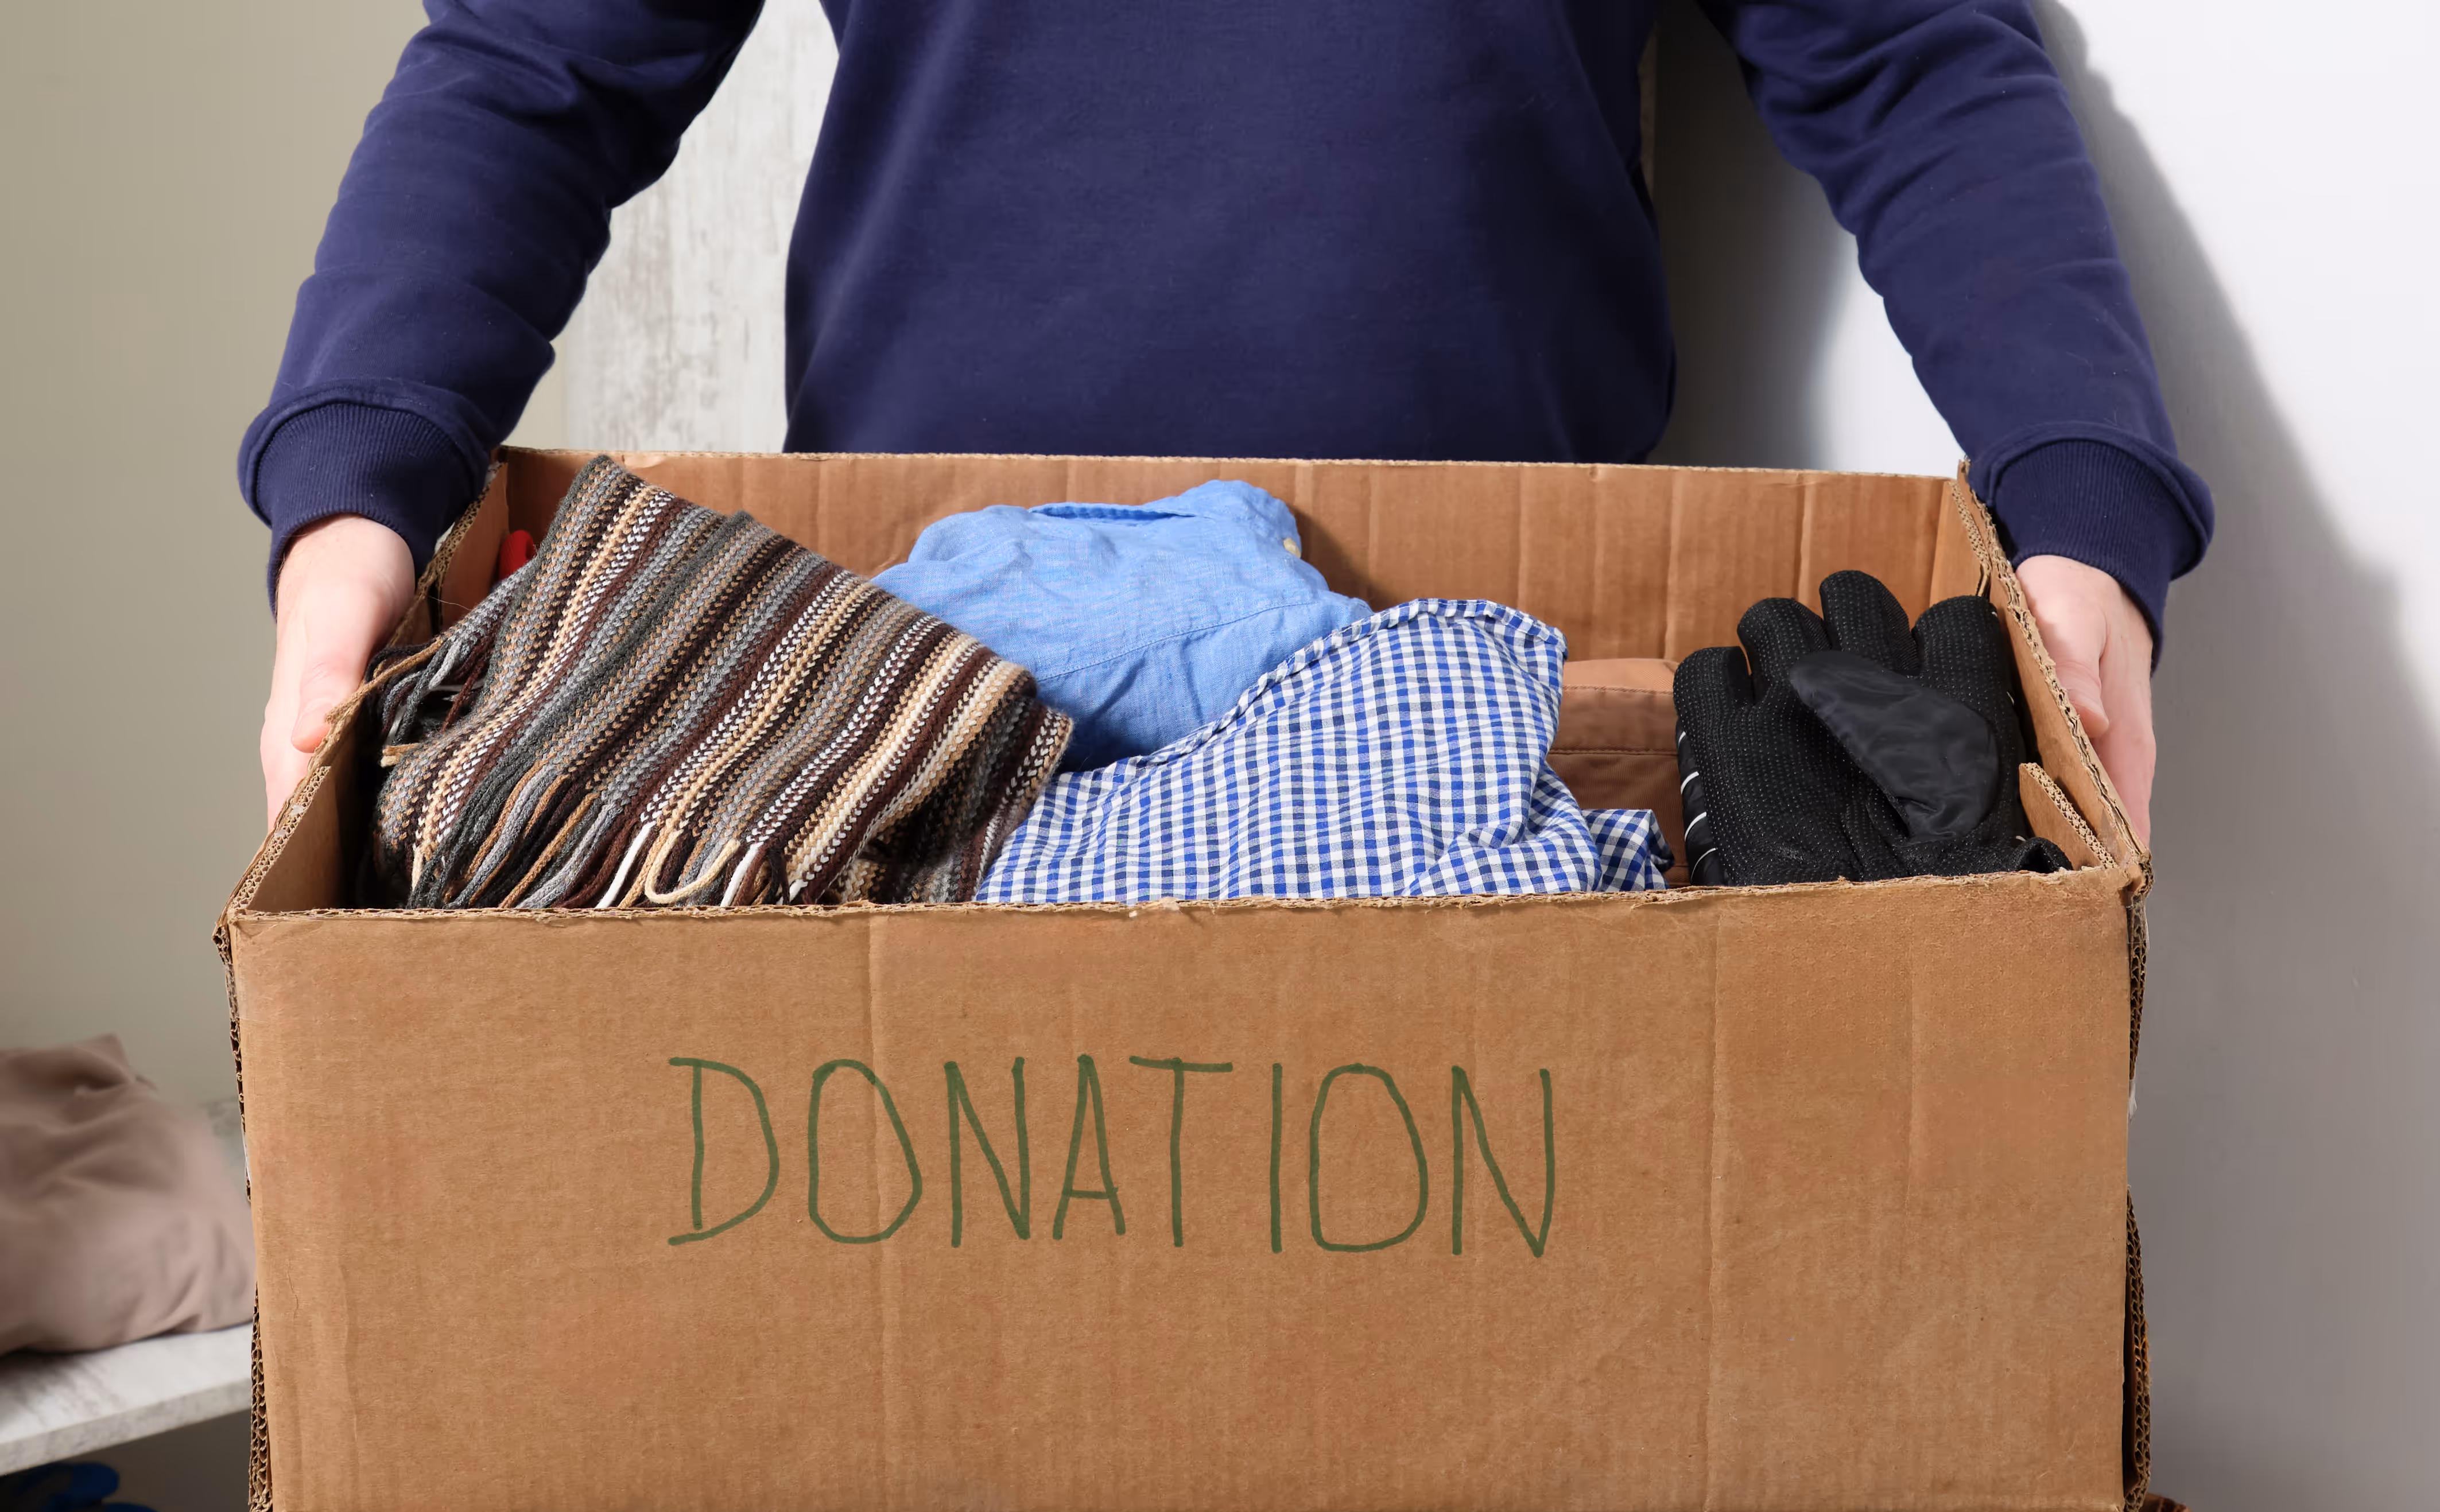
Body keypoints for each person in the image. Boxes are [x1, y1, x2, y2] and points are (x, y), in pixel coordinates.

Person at [248, 0, 2208, 842]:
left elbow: (1912, 60)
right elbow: (529, 71)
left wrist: (2077, 499)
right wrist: (358, 492)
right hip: (934, 703)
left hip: (1489, 701)